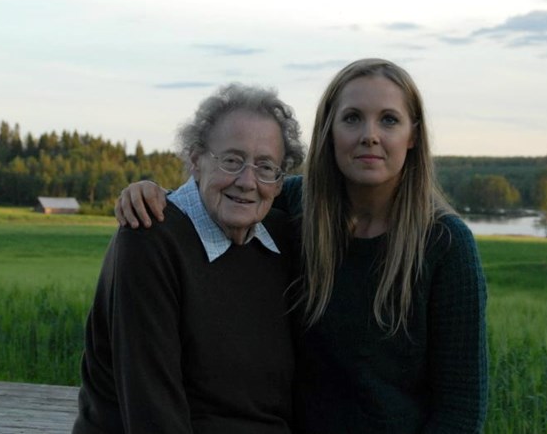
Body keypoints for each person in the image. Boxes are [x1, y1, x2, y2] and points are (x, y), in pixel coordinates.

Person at [115, 58, 488, 433]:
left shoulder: (445, 244)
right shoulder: (298, 206)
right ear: (328, 130)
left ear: (413, 136)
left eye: (389, 120)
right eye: (352, 118)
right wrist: (156, 196)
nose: (370, 135)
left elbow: (461, 408)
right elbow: (230, 190)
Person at [73, 83, 306, 434]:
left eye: (265, 166)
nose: (247, 181)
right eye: (232, 160)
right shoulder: (149, 235)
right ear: (196, 160)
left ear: (278, 180)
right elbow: (153, 412)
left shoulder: (281, 239)